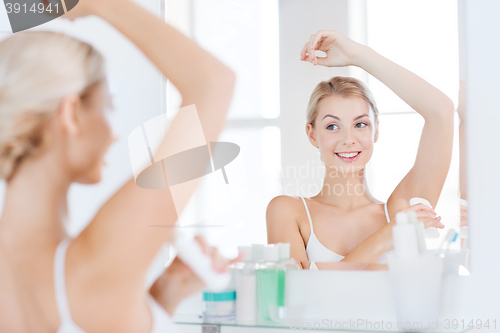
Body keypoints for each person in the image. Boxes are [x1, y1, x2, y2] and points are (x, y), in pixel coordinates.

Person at [0, 0, 235, 331]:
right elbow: (213, 82)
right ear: (71, 114)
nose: (113, 134)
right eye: (108, 106)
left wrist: (160, 298)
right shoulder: (96, 261)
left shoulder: (87, 274)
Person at [267, 30, 453, 269]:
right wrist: (386, 237)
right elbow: (295, 294)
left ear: (375, 131)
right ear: (312, 134)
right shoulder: (288, 211)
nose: (348, 139)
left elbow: (442, 112)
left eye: (360, 124)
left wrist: (359, 55)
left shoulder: (399, 209)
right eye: (333, 126)